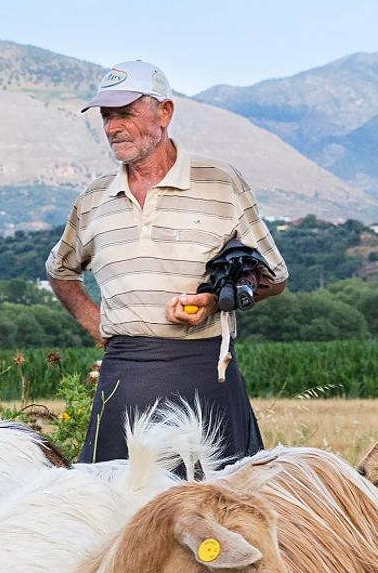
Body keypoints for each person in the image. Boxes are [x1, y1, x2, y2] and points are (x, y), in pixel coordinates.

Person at [46, 60, 288, 463]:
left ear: (165, 112)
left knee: (214, 516)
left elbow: (274, 276)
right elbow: (60, 271)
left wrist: (212, 301)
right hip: (124, 379)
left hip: (205, 377)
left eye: (124, 114)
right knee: (116, 514)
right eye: (106, 116)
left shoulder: (220, 181)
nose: (111, 127)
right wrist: (99, 326)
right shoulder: (94, 198)